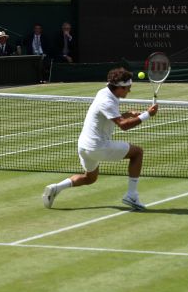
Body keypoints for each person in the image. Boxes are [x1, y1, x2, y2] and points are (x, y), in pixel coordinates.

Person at [42, 67, 158, 210]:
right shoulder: (107, 101)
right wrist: (147, 115)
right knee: (137, 152)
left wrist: (126, 113)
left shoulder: (104, 92)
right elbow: (123, 126)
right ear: (119, 87)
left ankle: (55, 188)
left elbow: (107, 116)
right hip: (97, 146)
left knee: (90, 178)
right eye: (128, 88)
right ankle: (132, 195)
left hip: (84, 146)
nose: (129, 91)